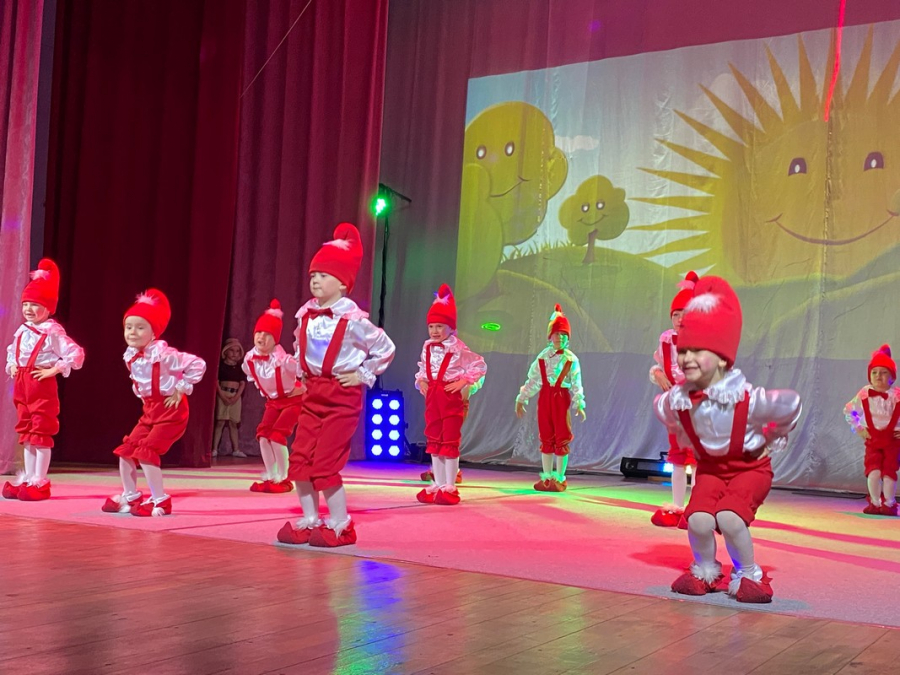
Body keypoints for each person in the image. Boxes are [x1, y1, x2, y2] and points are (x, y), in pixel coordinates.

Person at [655, 276, 801, 603]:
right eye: (684, 352)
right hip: (711, 470)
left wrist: (770, 435)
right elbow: (662, 407)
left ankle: (748, 573)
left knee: (730, 518)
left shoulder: (747, 397)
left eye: (698, 352)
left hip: (749, 470)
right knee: (697, 519)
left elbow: (791, 405)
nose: (687, 359)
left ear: (722, 358)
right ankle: (705, 568)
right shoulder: (681, 399)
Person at [276, 223, 395, 547]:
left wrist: (362, 374)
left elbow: (385, 348)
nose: (315, 280)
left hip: (341, 396)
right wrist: (301, 371)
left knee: (325, 462)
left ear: (343, 283)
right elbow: (300, 346)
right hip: (313, 393)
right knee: (300, 458)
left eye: (324, 275)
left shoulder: (354, 320)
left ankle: (341, 524)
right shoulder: (306, 315)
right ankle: (310, 519)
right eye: (313, 275)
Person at [102, 289, 206, 516]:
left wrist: (181, 388)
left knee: (146, 452)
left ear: (153, 333)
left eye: (140, 327)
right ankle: (130, 496)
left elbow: (198, 364)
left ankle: (160, 500)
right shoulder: (131, 357)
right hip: (150, 411)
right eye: (129, 327)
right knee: (127, 451)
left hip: (171, 411)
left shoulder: (165, 355)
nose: (133, 332)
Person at [2, 259, 84, 501]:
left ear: (48, 308)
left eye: (35, 304)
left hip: (40, 385)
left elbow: (75, 353)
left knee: (41, 432)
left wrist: (54, 369)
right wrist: (12, 364)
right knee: (27, 433)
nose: (28, 309)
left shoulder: (52, 331)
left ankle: (40, 480)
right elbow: (11, 351)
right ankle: (27, 478)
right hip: (22, 385)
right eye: (26, 304)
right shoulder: (22, 329)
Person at [414, 284, 486, 505]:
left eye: (440, 326)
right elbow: (423, 367)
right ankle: (437, 483)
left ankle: (450, 485)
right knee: (434, 440)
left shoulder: (458, 348)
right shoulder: (427, 346)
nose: (434, 331)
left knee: (449, 440)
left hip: (449, 398)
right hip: (433, 398)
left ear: (451, 328)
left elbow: (479, 364)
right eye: (431, 326)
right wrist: (421, 380)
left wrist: (464, 381)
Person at [515, 304, 586, 492]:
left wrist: (579, 403)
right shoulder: (542, 357)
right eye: (556, 334)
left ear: (568, 338)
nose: (559, 337)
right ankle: (546, 477)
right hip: (545, 398)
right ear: (550, 336)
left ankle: (559, 477)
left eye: (563, 334)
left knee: (562, 436)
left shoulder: (571, 359)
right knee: (546, 435)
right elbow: (533, 380)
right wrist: (522, 398)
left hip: (561, 398)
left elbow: (577, 383)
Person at [649, 271, 698, 528]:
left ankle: (698, 509)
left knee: (698, 458)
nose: (680, 319)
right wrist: (657, 373)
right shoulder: (666, 340)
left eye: (684, 314)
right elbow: (659, 365)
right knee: (678, 456)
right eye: (676, 315)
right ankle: (678, 507)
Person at [243, 299, 302, 493]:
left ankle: (283, 477)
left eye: (267, 334)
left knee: (277, 436)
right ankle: (270, 474)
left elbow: (303, 372)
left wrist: (302, 387)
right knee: (263, 436)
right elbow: (255, 377)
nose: (261, 337)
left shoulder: (284, 360)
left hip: (292, 401)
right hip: (273, 402)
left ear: (275, 338)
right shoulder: (250, 359)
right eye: (259, 333)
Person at [843, 344, 900, 516]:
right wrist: (859, 428)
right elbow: (849, 410)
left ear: (892, 377)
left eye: (883, 372)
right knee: (873, 471)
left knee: (889, 472)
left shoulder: (897, 395)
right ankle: (875, 502)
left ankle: (889, 503)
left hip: (892, 440)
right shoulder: (865, 393)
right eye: (874, 372)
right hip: (873, 439)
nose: (878, 376)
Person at [213, 337, 246, 457]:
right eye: (232, 350)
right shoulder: (221, 367)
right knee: (220, 422)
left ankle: (236, 449)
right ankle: (214, 449)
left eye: (237, 351)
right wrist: (222, 396)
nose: (234, 353)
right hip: (223, 394)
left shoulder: (240, 367)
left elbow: (242, 383)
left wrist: (236, 397)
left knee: (233, 423)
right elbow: (216, 382)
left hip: (235, 396)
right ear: (225, 351)